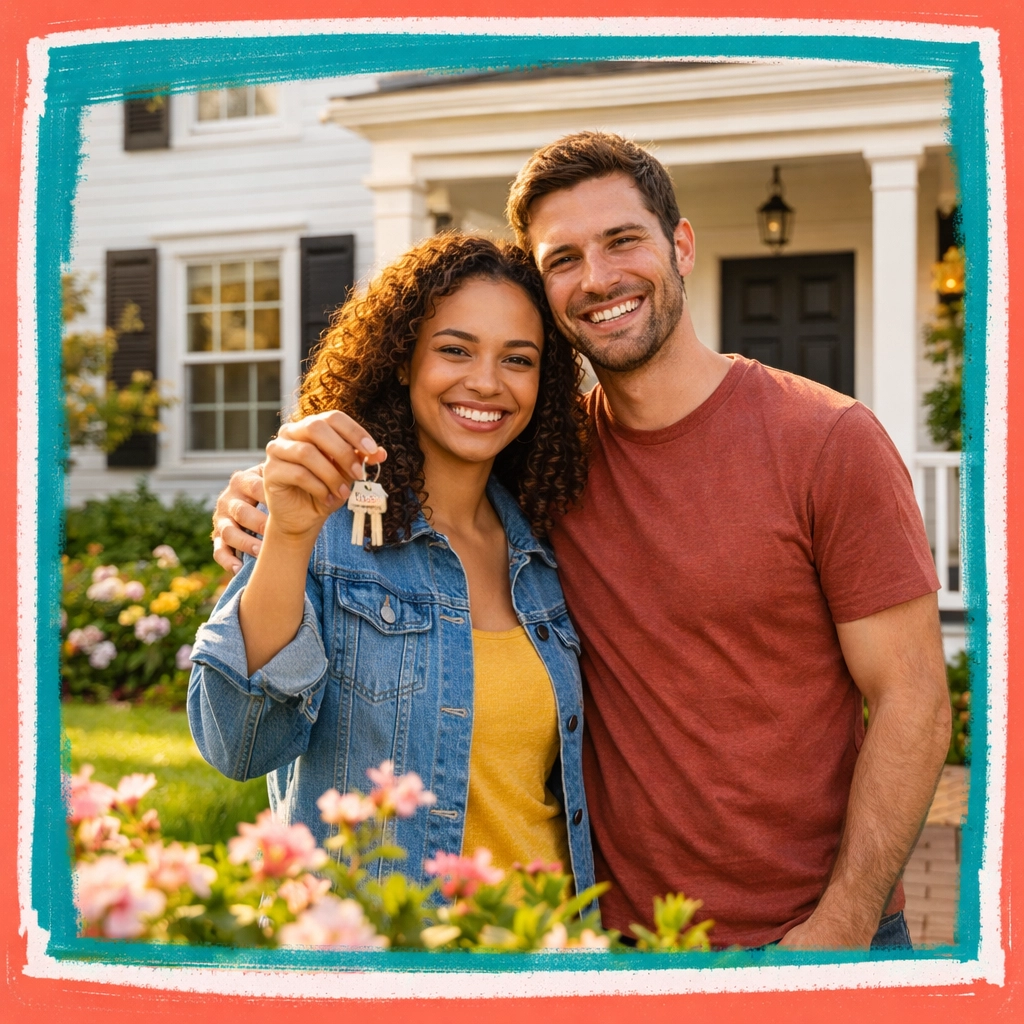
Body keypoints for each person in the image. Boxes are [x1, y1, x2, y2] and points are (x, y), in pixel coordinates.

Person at [210, 133, 951, 950]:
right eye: (564, 258)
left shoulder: (827, 440)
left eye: (623, 240)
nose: (598, 279)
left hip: (808, 938)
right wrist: (269, 509)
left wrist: (842, 923)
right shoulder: (549, 474)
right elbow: (249, 720)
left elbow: (913, 698)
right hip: (616, 945)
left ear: (682, 245)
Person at [188, 233, 597, 895]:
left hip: (543, 954)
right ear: (403, 359)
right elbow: (239, 744)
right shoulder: (322, 528)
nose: (486, 382)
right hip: (386, 965)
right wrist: (289, 534)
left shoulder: (548, 553)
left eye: (517, 359)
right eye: (455, 350)